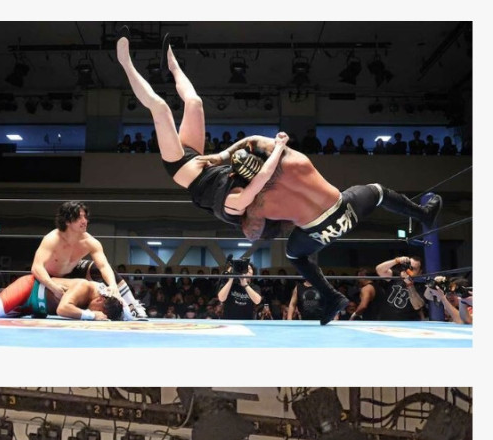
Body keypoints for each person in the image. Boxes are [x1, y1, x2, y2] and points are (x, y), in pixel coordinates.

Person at [115, 37, 441, 298]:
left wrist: (278, 148)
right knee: (196, 102)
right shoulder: (252, 197)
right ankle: (172, 64)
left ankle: (125, 64)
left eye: (250, 231)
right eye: (256, 231)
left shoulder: (236, 204)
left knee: (160, 108)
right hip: (204, 160)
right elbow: (261, 172)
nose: (251, 232)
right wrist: (241, 153)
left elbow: (262, 178)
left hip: (182, 166)